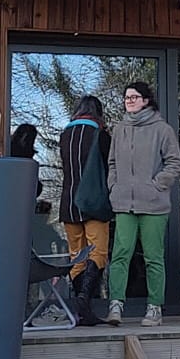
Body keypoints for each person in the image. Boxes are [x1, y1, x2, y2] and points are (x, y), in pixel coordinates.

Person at [103, 81, 180, 327]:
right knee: (120, 255)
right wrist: (114, 185)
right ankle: (115, 306)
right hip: (124, 202)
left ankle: (154, 308)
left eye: (134, 97)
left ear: (146, 100)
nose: (130, 101)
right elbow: (112, 163)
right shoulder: (119, 129)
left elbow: (174, 163)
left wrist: (157, 185)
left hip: (154, 204)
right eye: (127, 97)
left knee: (153, 257)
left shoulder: (163, 130)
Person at [56, 95, 112, 324]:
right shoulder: (101, 135)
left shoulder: (65, 135)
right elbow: (109, 167)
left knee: (76, 256)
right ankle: (84, 299)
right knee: (97, 252)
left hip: (68, 203)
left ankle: (81, 310)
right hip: (94, 203)